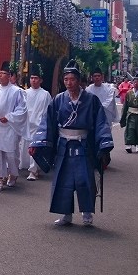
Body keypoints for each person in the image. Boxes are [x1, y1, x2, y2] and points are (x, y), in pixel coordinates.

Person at [30, 59, 114, 226]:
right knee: (63, 180)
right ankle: (66, 214)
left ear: (79, 80)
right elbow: (47, 122)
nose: (68, 83)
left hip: (83, 145)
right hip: (64, 145)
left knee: (84, 179)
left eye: (72, 79)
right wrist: (37, 142)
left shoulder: (91, 100)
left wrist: (104, 145)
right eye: (66, 79)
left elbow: (100, 123)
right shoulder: (58, 100)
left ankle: (87, 213)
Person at [0, 61, 27, 191]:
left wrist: (9, 117)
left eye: (3, 73)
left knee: (10, 154)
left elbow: (22, 109)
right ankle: (0, 179)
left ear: (9, 76)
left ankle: (13, 174)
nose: (0, 75)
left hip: (9, 127)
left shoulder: (17, 91)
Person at [23, 65, 52, 181]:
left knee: (34, 147)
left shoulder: (45, 94)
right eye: (32, 78)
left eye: (36, 78)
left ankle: (33, 171)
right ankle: (26, 167)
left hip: (38, 125)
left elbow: (48, 111)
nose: (33, 80)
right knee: (24, 147)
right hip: (26, 124)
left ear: (41, 80)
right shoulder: (24, 93)